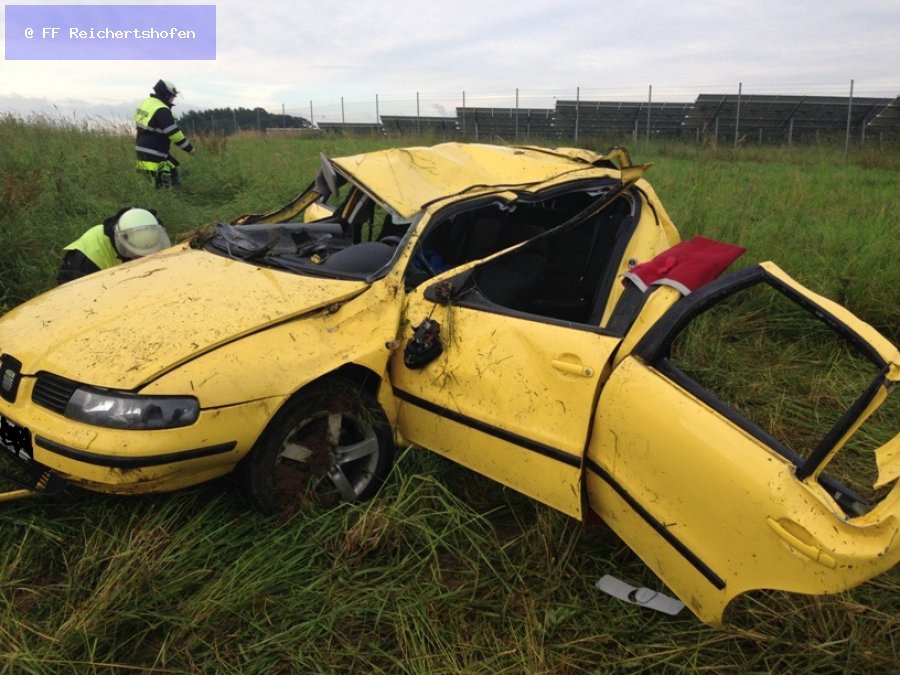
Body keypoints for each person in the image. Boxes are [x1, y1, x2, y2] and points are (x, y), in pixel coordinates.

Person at [57, 208, 171, 284]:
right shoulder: (86, 258)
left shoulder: (150, 227)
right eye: (137, 254)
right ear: (123, 244)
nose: (143, 259)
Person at [134, 79, 196, 187]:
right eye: (172, 96)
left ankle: (169, 194)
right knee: (163, 185)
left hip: (142, 150)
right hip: (154, 153)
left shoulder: (146, 104)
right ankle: (170, 197)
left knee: (169, 172)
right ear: (166, 95)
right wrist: (189, 149)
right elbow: (174, 133)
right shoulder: (162, 110)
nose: (172, 100)